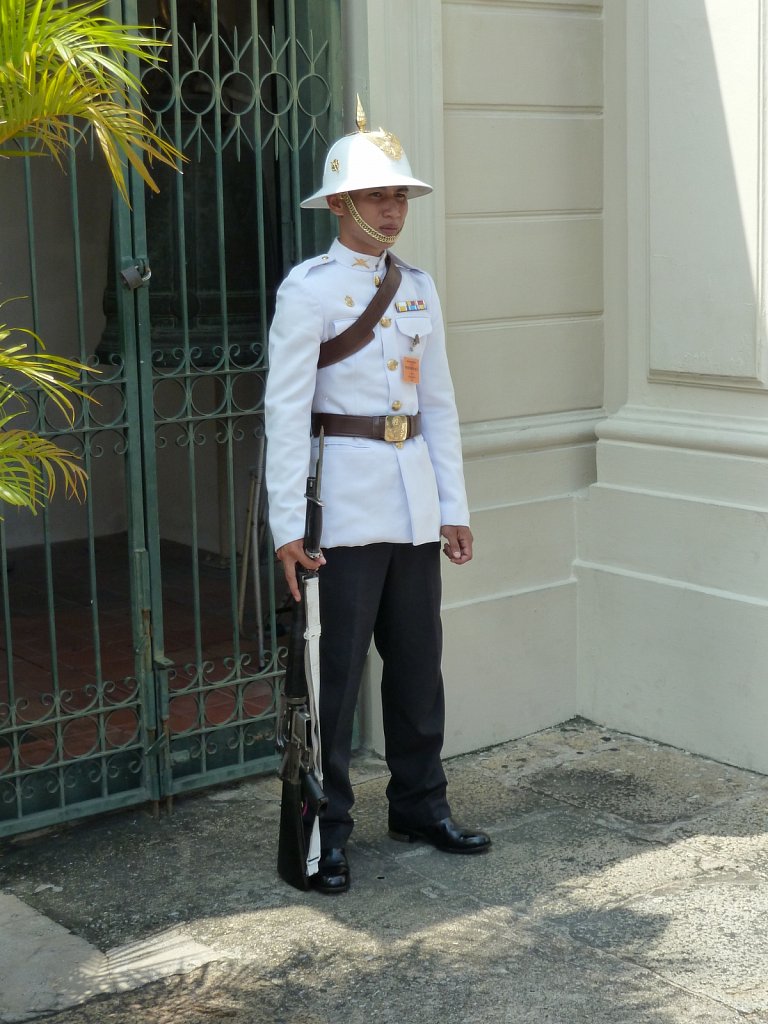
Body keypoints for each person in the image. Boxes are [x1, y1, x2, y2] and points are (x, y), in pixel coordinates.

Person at [265, 102, 490, 894]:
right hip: (345, 504)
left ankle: (421, 804)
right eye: (378, 196)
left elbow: (439, 407)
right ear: (339, 205)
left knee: (418, 666)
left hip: (413, 503)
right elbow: (287, 412)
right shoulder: (311, 290)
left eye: (401, 196)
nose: (394, 210)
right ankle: (325, 834)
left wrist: (452, 505)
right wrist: (287, 527)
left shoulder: (418, 288)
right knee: (333, 681)